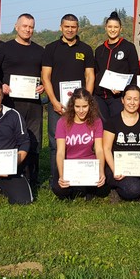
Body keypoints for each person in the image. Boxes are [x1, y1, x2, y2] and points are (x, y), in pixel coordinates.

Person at [0, 13, 45, 193]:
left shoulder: (40, 51)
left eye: (31, 27)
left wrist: (43, 85)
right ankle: (5, 178)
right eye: (25, 26)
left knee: (33, 140)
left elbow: (46, 75)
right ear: (16, 26)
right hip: (10, 103)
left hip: (33, 104)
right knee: (9, 140)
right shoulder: (5, 48)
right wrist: (1, 86)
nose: (28, 29)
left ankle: (31, 179)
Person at [42, 14, 95, 181]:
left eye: (73, 27)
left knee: (84, 141)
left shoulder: (86, 49)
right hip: (57, 104)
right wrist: (53, 101)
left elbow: (90, 77)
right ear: (61, 27)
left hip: (80, 105)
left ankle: (83, 177)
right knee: (55, 143)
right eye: (67, 26)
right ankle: (57, 178)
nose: (70, 30)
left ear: (78, 28)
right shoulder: (50, 48)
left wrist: (86, 102)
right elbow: (45, 77)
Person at [102, 85, 140, 203]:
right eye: (129, 98)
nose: (132, 102)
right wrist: (115, 169)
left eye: (136, 99)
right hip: (117, 166)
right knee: (133, 189)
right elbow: (106, 148)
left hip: (138, 164)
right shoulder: (112, 121)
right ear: (122, 100)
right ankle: (117, 190)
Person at [52, 88, 106, 200]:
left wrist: (101, 171)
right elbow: (60, 152)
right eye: (77, 107)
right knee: (58, 189)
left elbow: (99, 149)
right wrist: (62, 175)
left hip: (89, 164)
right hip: (70, 165)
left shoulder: (97, 121)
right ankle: (80, 189)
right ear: (72, 106)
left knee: (104, 186)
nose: (81, 110)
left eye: (85, 106)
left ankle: (84, 189)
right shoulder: (62, 122)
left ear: (90, 105)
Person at [94, 10, 140, 124]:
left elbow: (135, 73)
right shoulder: (99, 50)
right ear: (105, 28)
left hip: (118, 98)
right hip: (100, 98)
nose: (112, 30)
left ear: (121, 29)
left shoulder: (128, 47)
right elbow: (95, 72)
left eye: (115, 27)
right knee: (102, 129)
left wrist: (124, 90)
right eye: (110, 26)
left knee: (117, 126)